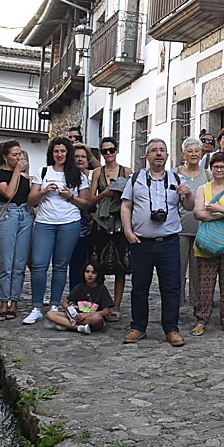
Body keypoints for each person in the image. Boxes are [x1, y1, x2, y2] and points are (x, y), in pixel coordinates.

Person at [121, 138, 195, 346]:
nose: (159, 153)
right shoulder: (135, 179)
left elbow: (189, 207)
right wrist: (127, 231)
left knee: (171, 287)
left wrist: (188, 194)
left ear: (167, 155)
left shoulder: (177, 178)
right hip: (141, 242)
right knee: (139, 287)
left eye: (162, 150)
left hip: (168, 242)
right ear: (147, 156)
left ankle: (171, 329)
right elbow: (126, 206)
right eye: (154, 150)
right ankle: (138, 327)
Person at [25, 138, 91, 324]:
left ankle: (55, 304)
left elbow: (86, 204)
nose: (59, 154)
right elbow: (31, 200)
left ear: (68, 153)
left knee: (61, 266)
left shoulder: (78, 176)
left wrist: (71, 196)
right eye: (56, 151)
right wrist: (44, 191)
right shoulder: (43, 172)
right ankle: (36, 306)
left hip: (69, 223)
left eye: (63, 151)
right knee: (39, 265)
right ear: (51, 153)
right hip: (44, 223)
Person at [191, 152, 224, 338]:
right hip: (207, 241)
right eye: (216, 167)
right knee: (205, 282)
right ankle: (202, 319)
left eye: (223, 167)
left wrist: (216, 209)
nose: (219, 170)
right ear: (211, 168)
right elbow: (198, 213)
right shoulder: (203, 189)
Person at [89, 136, 133, 317]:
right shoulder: (97, 173)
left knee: (120, 266)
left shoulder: (126, 171)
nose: (108, 154)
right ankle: (100, 303)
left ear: (116, 150)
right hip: (101, 221)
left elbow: (133, 196)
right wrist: (105, 194)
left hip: (120, 221)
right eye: (104, 151)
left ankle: (117, 305)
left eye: (111, 150)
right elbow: (91, 200)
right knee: (98, 263)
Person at [0, 140, 32, 323]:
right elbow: (8, 193)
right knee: (6, 264)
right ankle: (3, 302)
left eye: (19, 154)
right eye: (14, 155)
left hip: (25, 215)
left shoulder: (25, 177)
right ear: (5, 157)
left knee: (19, 264)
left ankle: (14, 302)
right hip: (8, 215)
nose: (18, 157)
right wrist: (16, 172)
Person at [177, 137, 208, 307]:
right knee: (178, 268)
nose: (194, 154)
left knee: (198, 269)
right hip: (179, 228)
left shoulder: (208, 174)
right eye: (190, 151)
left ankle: (197, 302)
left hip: (201, 228)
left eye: (197, 151)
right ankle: (178, 301)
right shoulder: (175, 173)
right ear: (184, 154)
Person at [45, 262, 113, 334]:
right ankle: (78, 328)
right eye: (87, 272)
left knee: (97, 318)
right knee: (50, 314)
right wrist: (70, 310)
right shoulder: (80, 287)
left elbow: (106, 311)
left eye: (93, 272)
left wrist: (85, 315)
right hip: (77, 316)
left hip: (91, 317)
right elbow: (65, 302)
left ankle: (67, 325)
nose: (90, 275)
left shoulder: (101, 289)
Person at [68, 143, 95, 288]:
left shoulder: (93, 176)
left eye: (83, 157)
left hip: (93, 225)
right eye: (76, 156)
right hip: (76, 224)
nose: (80, 159)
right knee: (76, 263)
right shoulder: (67, 176)